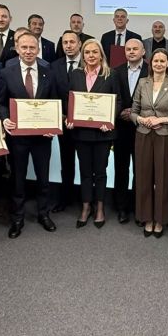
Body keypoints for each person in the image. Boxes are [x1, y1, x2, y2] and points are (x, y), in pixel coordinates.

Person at [0, 32, 58, 237]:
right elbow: (0, 102)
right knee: (18, 179)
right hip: (18, 137)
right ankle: (17, 218)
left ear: (38, 49)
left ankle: (43, 214)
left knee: (43, 178)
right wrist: (5, 118)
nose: (29, 51)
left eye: (32, 47)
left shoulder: (48, 72)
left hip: (42, 138)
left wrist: (53, 125)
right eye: (24, 47)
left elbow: (54, 102)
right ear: (17, 48)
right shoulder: (6, 73)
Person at [66, 39, 121, 227]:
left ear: (101, 55)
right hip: (81, 133)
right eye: (87, 52)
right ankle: (86, 206)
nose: (91, 55)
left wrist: (109, 119)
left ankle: (100, 207)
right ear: (83, 55)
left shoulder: (111, 75)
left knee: (100, 172)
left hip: (102, 134)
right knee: (85, 171)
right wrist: (70, 118)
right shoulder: (75, 74)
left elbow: (118, 101)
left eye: (94, 52)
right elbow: (71, 99)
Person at [131, 49, 168, 237]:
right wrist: (141, 119)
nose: (159, 64)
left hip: (165, 136)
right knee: (143, 177)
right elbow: (133, 111)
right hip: (143, 134)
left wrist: (161, 120)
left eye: (162, 61)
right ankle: (147, 218)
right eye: (155, 61)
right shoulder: (142, 83)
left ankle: (160, 219)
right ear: (150, 63)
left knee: (163, 179)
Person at [110, 38, 147, 223]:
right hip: (122, 128)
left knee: (141, 170)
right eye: (128, 49)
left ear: (143, 52)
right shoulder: (115, 71)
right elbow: (112, 96)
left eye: (135, 49)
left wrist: (134, 112)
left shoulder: (151, 70)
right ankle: (122, 207)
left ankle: (138, 207)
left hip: (143, 128)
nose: (131, 52)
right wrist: (120, 112)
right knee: (121, 168)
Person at [51, 30, 83, 212]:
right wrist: (61, 115)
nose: (69, 45)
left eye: (72, 42)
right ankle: (66, 197)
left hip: (86, 123)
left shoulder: (89, 63)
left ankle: (87, 199)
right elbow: (52, 93)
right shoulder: (54, 66)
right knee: (66, 161)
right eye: (65, 43)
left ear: (79, 44)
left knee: (87, 163)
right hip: (64, 121)